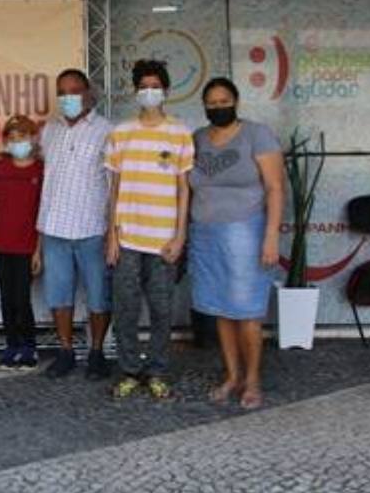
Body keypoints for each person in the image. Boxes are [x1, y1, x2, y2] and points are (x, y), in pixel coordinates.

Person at [188, 77, 283, 410]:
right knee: (220, 310)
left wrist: (271, 235)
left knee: (247, 311)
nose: (218, 107)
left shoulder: (257, 134)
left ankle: (253, 379)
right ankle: (233, 375)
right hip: (204, 232)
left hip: (246, 231)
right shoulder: (198, 138)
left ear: (236, 101)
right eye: (211, 103)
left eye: (223, 101)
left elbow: (275, 188)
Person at [105, 60, 194, 400]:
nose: (149, 92)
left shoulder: (180, 132)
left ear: (167, 91)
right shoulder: (121, 132)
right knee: (125, 308)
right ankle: (128, 370)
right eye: (143, 86)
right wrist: (111, 234)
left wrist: (180, 235)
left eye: (155, 86)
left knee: (161, 309)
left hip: (163, 242)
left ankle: (156, 370)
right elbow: (114, 187)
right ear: (134, 91)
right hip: (127, 238)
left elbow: (185, 188)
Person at [35, 69, 113, 379]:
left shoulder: (106, 130)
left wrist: (113, 231)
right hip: (54, 227)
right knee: (58, 295)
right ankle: (66, 351)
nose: (68, 98)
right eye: (62, 92)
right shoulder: (49, 131)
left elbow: (114, 182)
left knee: (98, 296)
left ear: (88, 93)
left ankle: (97, 352)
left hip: (92, 227)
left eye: (75, 91)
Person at [0, 115, 43, 370]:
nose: (18, 142)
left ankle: (29, 347)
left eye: (23, 137)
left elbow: (44, 212)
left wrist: (39, 251)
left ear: (33, 139)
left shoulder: (41, 170)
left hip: (26, 247)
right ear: (6, 142)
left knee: (21, 298)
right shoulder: (1, 168)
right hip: (0, 245)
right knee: (6, 298)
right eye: (13, 138)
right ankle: (12, 346)